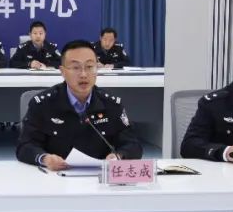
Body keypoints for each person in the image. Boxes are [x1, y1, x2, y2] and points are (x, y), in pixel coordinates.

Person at [16, 39, 142, 169]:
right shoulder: (42, 104)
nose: (83, 74)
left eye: (89, 67)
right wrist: (45, 159)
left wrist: (119, 156)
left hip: (98, 177)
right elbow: (25, 145)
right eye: (76, 67)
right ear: (63, 72)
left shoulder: (111, 104)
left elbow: (133, 145)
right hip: (54, 176)